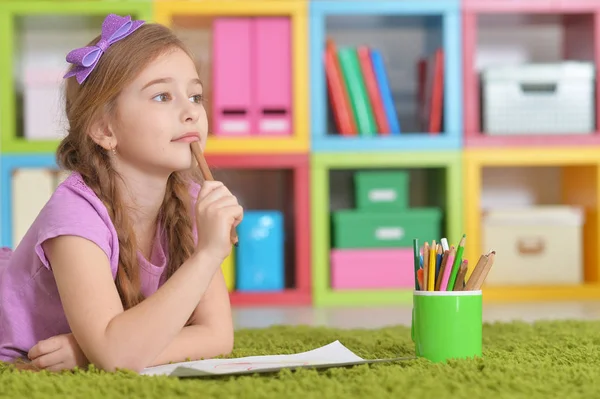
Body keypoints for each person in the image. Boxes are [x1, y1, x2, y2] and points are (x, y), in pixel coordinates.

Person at [0, 14, 243, 373]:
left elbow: (217, 336)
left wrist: (90, 350)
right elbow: (117, 356)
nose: (191, 112)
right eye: (162, 96)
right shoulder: (75, 215)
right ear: (104, 128)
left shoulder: (192, 203)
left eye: (195, 96)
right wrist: (207, 255)